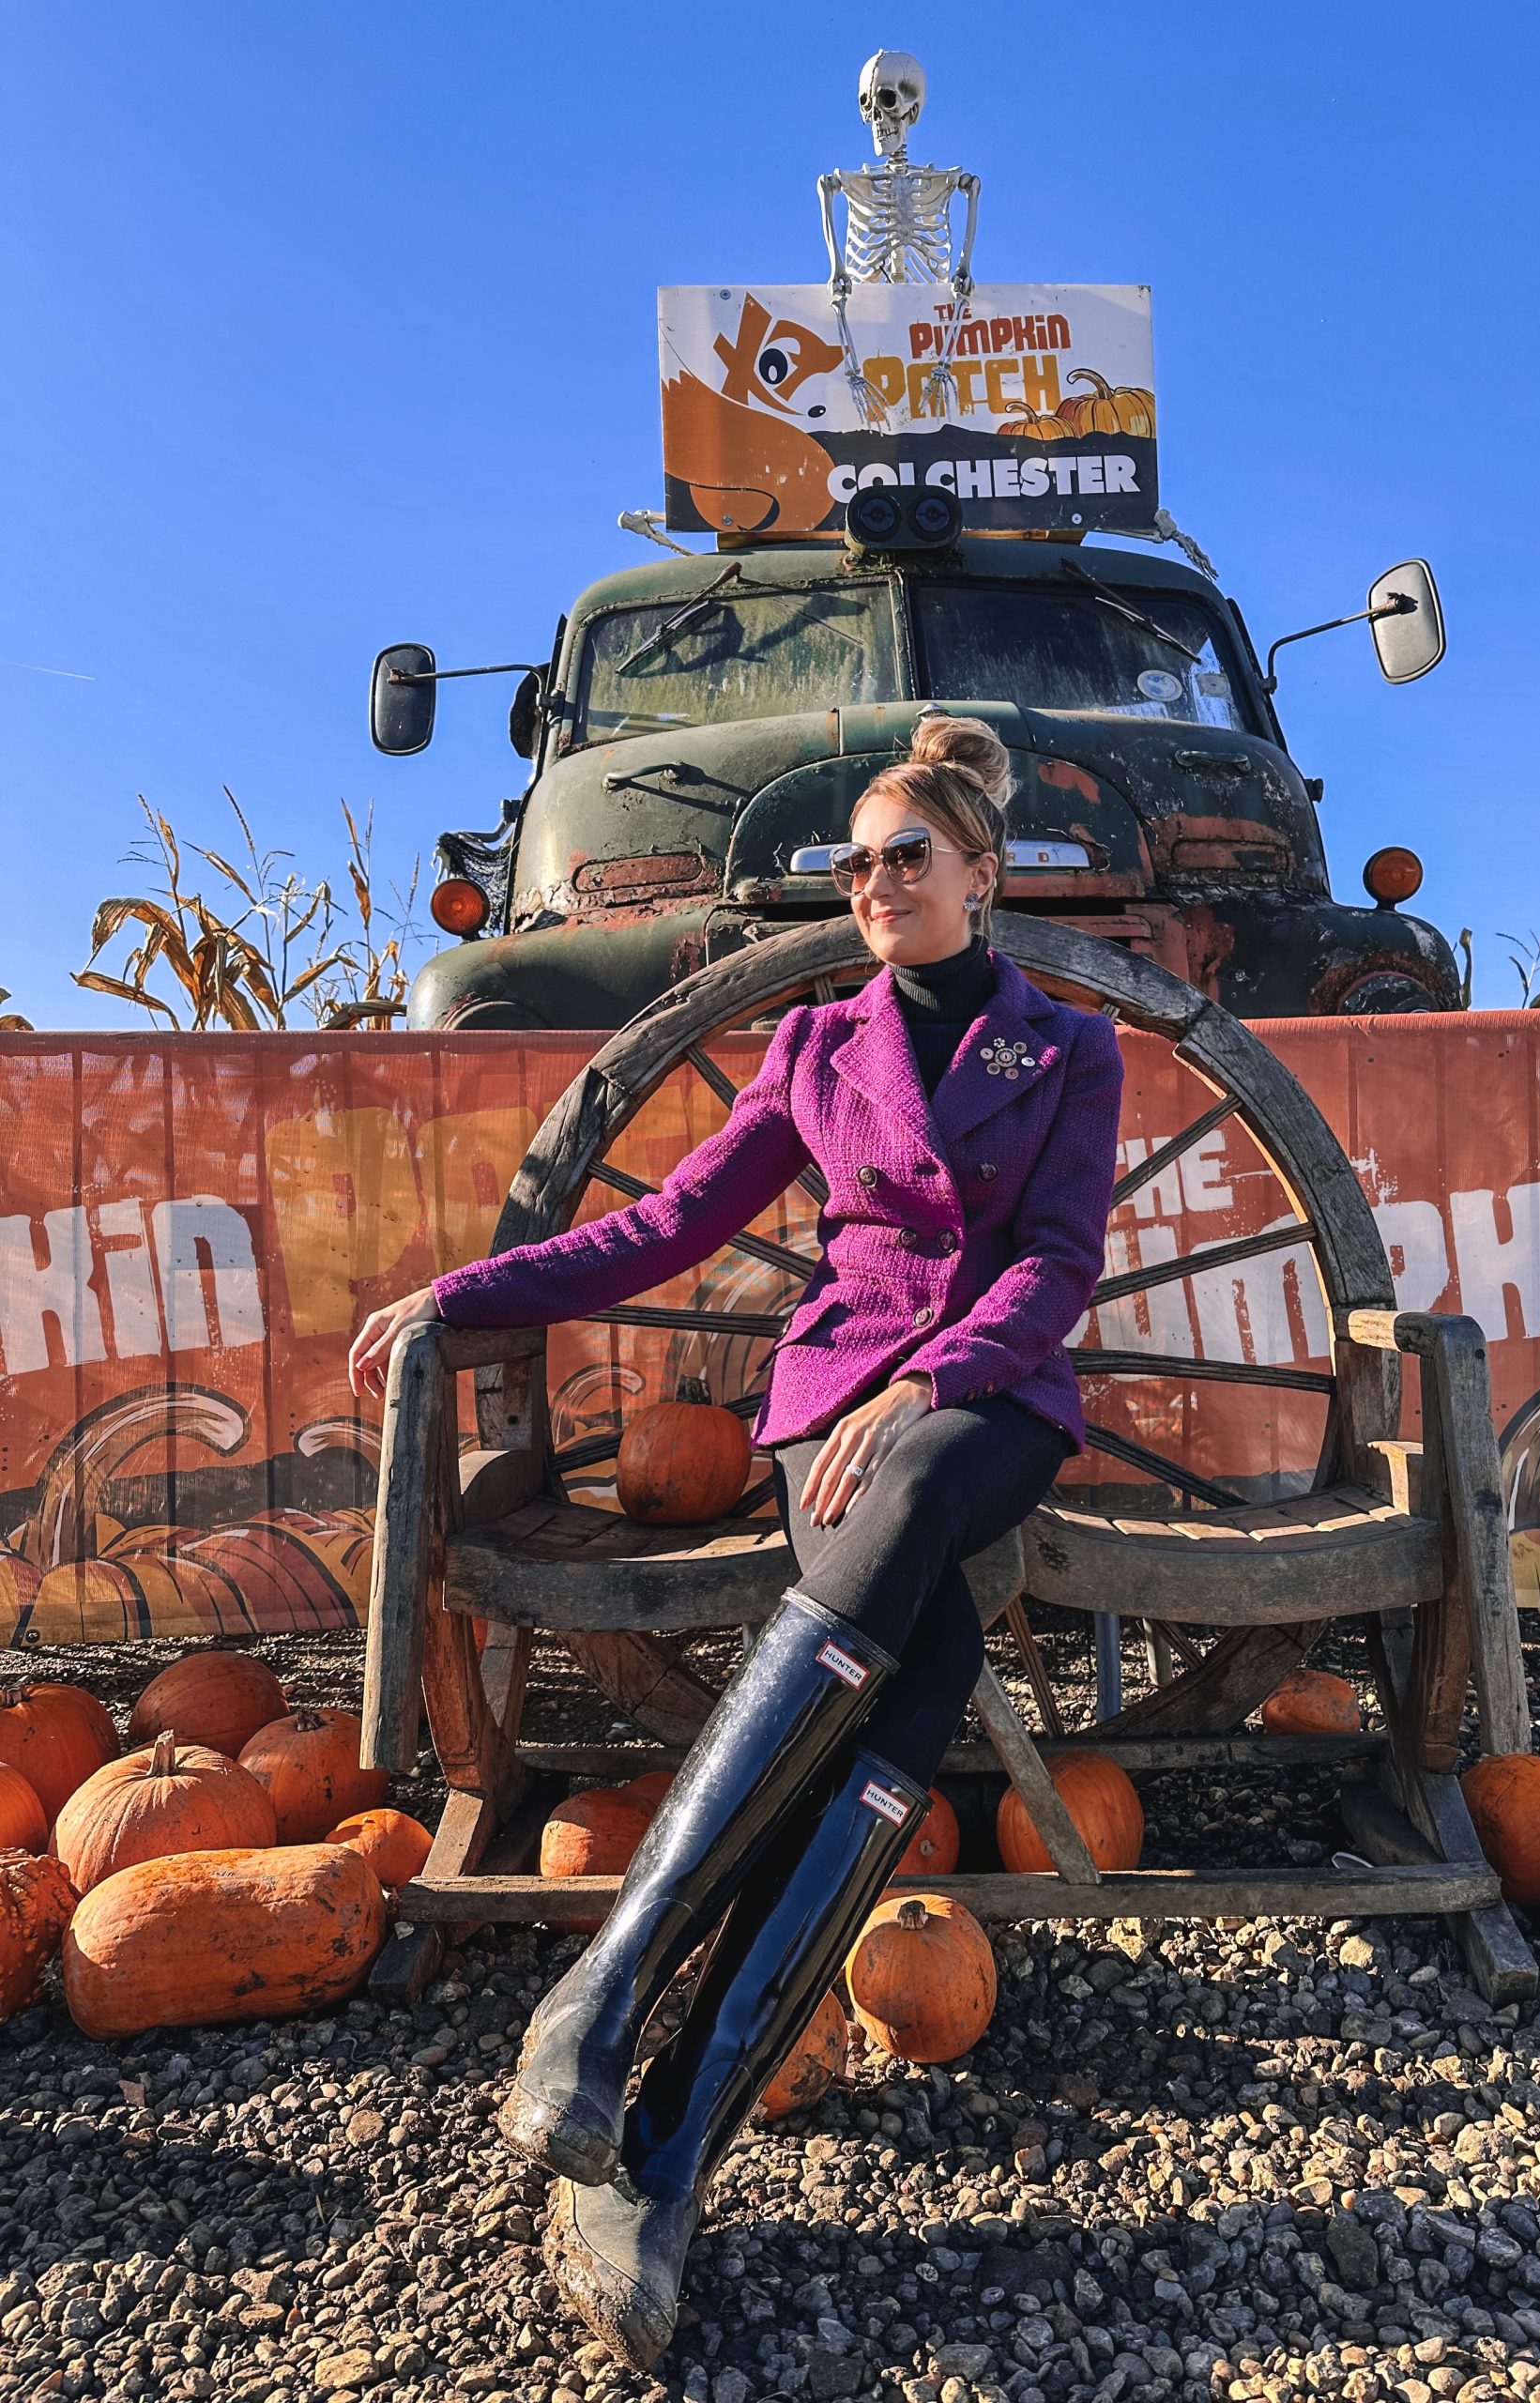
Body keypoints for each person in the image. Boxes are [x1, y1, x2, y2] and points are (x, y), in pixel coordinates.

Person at [347, 712, 1126, 2367]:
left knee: (911, 1488)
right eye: (854, 864)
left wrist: (933, 1374)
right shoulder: (818, 1046)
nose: (874, 884)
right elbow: (665, 1223)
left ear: (982, 874)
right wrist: (459, 1293)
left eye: (907, 854)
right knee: (909, 1703)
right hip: (829, 1396)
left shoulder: (1063, 1048)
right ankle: (666, 2167)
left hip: (985, 1399)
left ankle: (602, 1995)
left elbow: (1057, 1263)